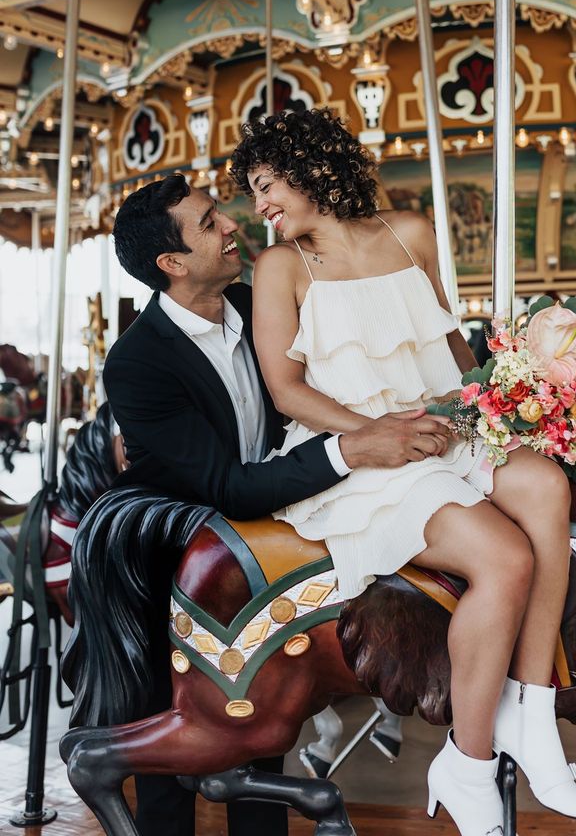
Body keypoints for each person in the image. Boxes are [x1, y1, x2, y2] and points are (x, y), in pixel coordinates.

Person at [231, 109, 576, 836]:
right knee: (503, 557)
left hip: (441, 430)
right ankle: (465, 763)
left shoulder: (411, 234)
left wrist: (502, 405)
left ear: (311, 169)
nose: (260, 206)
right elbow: (287, 388)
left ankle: (533, 715)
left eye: (266, 184)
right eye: (252, 192)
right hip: (368, 453)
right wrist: (373, 432)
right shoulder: (280, 266)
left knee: (547, 485)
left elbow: (449, 349)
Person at [104, 174, 453, 836]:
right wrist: (353, 448)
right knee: (170, 746)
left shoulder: (259, 299)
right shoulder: (136, 363)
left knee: (265, 729)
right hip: (178, 558)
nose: (233, 225)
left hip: (265, 548)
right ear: (172, 264)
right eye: (209, 224)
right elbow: (228, 484)